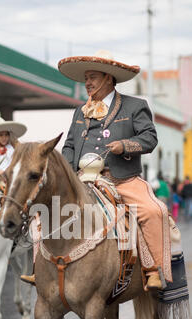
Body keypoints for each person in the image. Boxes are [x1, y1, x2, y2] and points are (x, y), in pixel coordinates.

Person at [22, 51, 173, 290]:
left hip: (122, 180)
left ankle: (153, 269)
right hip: (82, 181)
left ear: (108, 79)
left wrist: (124, 145)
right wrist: (70, 174)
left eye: (92, 77)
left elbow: (150, 138)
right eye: (86, 79)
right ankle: (38, 269)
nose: (87, 83)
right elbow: (70, 145)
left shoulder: (135, 106)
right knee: (44, 211)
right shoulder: (79, 112)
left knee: (154, 211)